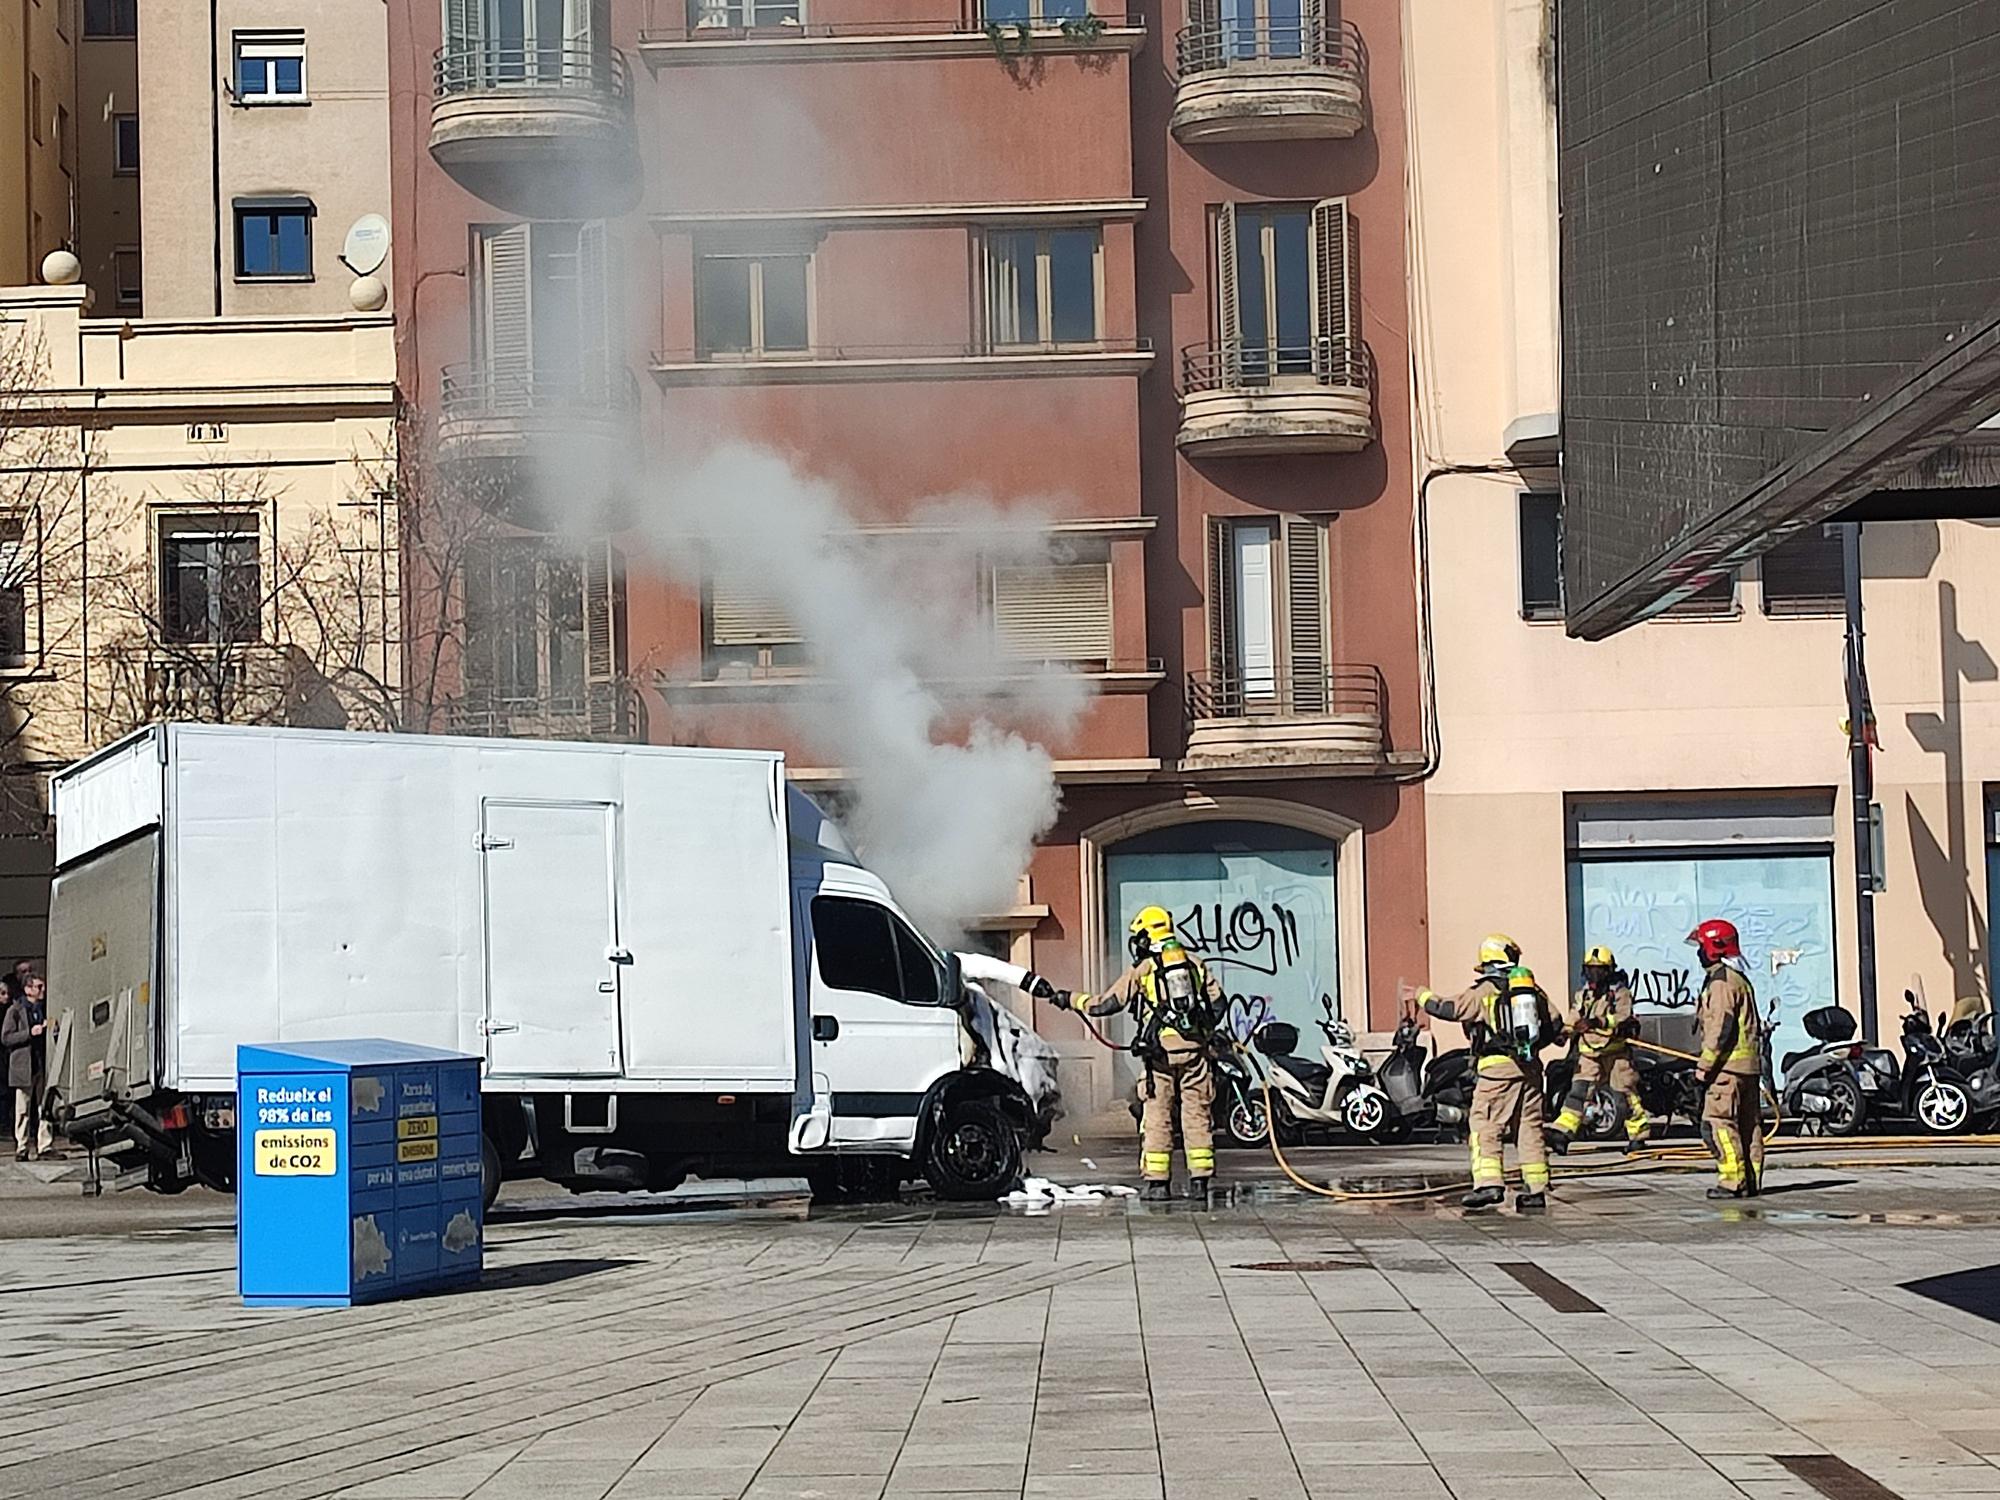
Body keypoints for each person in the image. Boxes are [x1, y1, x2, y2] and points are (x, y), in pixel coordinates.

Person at [1059, 906, 1225, 1203]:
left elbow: (1105, 1004)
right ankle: (1200, 1183)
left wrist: (1070, 1000)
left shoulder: (1143, 969)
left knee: (1157, 1117)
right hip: (1195, 1054)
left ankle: (1158, 1186)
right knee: (1197, 1116)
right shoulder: (1196, 964)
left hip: (1159, 1058)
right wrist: (1202, 1034)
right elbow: (1218, 1005)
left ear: (1147, 937)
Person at [1418, 936, 1560, 1213]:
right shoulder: (1533, 992)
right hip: (1530, 1069)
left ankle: (1489, 1183)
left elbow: (1450, 1009)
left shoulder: (1485, 991)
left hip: (1497, 1071)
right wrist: (1529, 1049)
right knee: (1529, 1128)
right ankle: (1536, 1190)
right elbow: (1554, 1023)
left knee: (1484, 1125)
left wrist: (1421, 995)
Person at [1545, 945, 1651, 1153]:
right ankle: (1562, 1133)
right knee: (1579, 1091)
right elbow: (1576, 1015)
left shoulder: (1620, 993)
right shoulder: (1584, 993)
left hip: (1615, 1052)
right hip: (1589, 1052)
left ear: (1608, 971)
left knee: (1625, 1093)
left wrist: (1597, 1022)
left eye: (1599, 969)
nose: (1593, 974)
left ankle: (1638, 1135)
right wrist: (1566, 1032)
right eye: (1590, 969)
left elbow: (1622, 1017)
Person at [1689, 918, 1764, 1199]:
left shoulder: (1721, 983)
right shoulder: (1739, 979)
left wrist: (1703, 1068)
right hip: (1747, 1069)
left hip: (1727, 1070)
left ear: (1713, 948)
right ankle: (1751, 1179)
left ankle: (1732, 1181)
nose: (1698, 953)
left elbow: (1720, 1028)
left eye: (1700, 946)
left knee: (1719, 1123)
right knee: (1748, 1126)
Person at [4, 971, 53, 1161]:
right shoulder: (15, 1010)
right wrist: (29, 1033)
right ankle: (22, 1146)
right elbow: (6, 1037)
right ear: (28, 989)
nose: (42, 990)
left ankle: (44, 1145)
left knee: (44, 1106)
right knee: (23, 1108)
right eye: (38, 987)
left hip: (41, 1063)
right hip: (24, 1065)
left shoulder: (44, 1007)